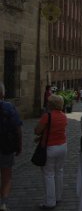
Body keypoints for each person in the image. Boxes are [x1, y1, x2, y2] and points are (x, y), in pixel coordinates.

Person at [34, 94, 67, 209]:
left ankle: (50, 201)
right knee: (59, 171)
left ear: (50, 104)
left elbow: (37, 131)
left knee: (48, 174)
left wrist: (39, 133)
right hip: (62, 146)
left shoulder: (47, 116)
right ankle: (58, 197)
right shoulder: (64, 116)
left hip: (50, 147)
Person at [0, 82, 22, 211]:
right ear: (3, 93)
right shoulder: (9, 107)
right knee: (7, 175)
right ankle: (3, 203)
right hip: (6, 146)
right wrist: (19, 145)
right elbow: (17, 127)